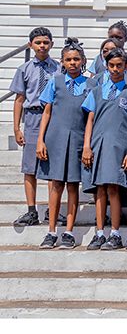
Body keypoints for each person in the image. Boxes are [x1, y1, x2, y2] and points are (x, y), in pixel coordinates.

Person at [35, 38, 88, 248]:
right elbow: (46, 113)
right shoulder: (54, 82)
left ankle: (69, 231)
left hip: (77, 138)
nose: (73, 63)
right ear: (62, 62)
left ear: (83, 61)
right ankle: (51, 231)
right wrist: (40, 140)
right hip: (55, 139)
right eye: (68, 60)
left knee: (73, 185)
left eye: (76, 59)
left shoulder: (90, 84)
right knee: (56, 185)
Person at [81, 48, 127, 250]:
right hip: (98, 144)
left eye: (119, 65)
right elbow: (90, 120)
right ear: (106, 66)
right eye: (111, 65)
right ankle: (99, 232)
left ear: (126, 67)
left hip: (118, 146)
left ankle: (115, 233)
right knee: (100, 189)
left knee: (113, 187)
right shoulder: (96, 91)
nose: (115, 69)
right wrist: (87, 146)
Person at [11, 27, 58, 227]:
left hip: (54, 117)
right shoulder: (24, 69)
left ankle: (52, 209)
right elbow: (19, 99)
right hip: (32, 117)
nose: (42, 46)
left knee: (51, 166)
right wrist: (16, 128)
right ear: (31, 45)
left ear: (51, 45)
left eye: (46, 42)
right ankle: (32, 211)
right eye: (38, 43)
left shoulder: (58, 68)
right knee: (30, 167)